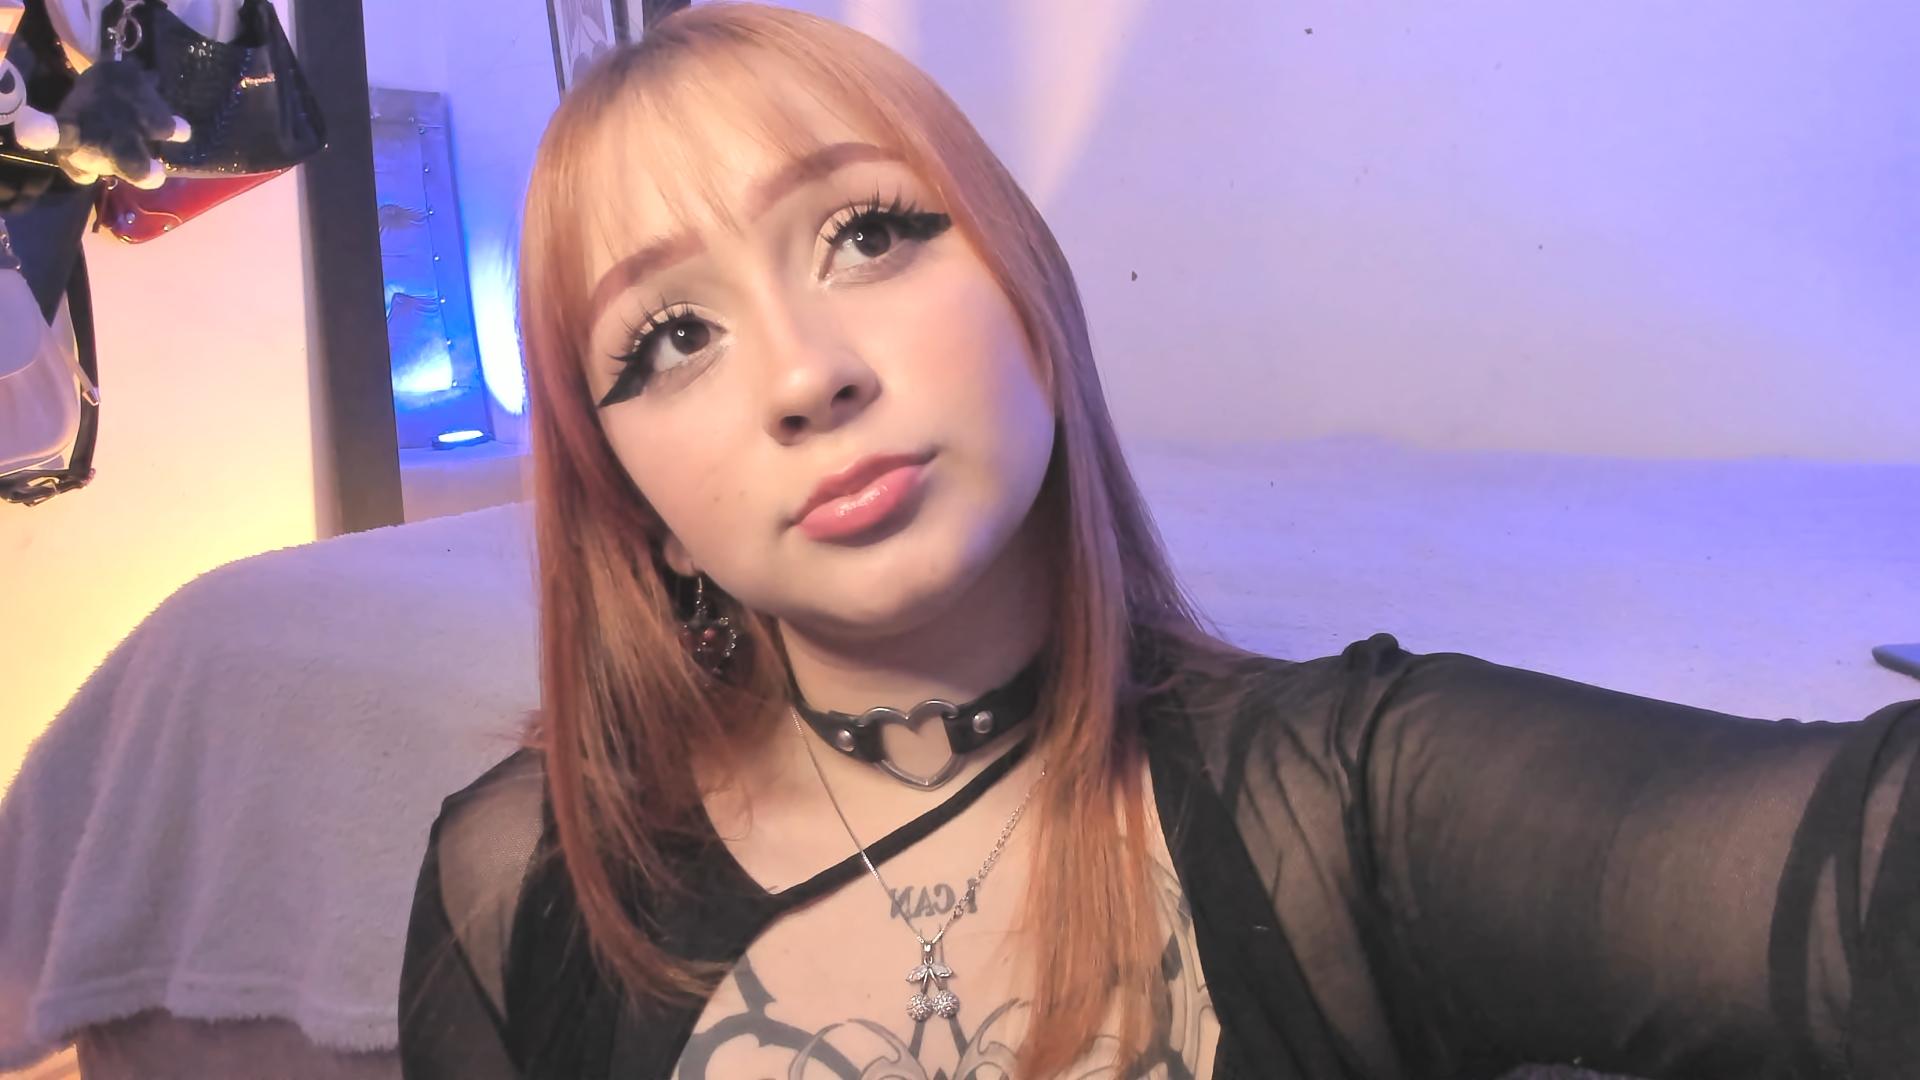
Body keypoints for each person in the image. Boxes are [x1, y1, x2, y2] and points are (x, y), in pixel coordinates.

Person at [396, 5, 1919, 1078]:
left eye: (867, 233)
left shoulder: (1348, 799)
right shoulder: (518, 882)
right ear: (636, 512)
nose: (806, 375)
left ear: (1030, 295)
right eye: (670, 336)